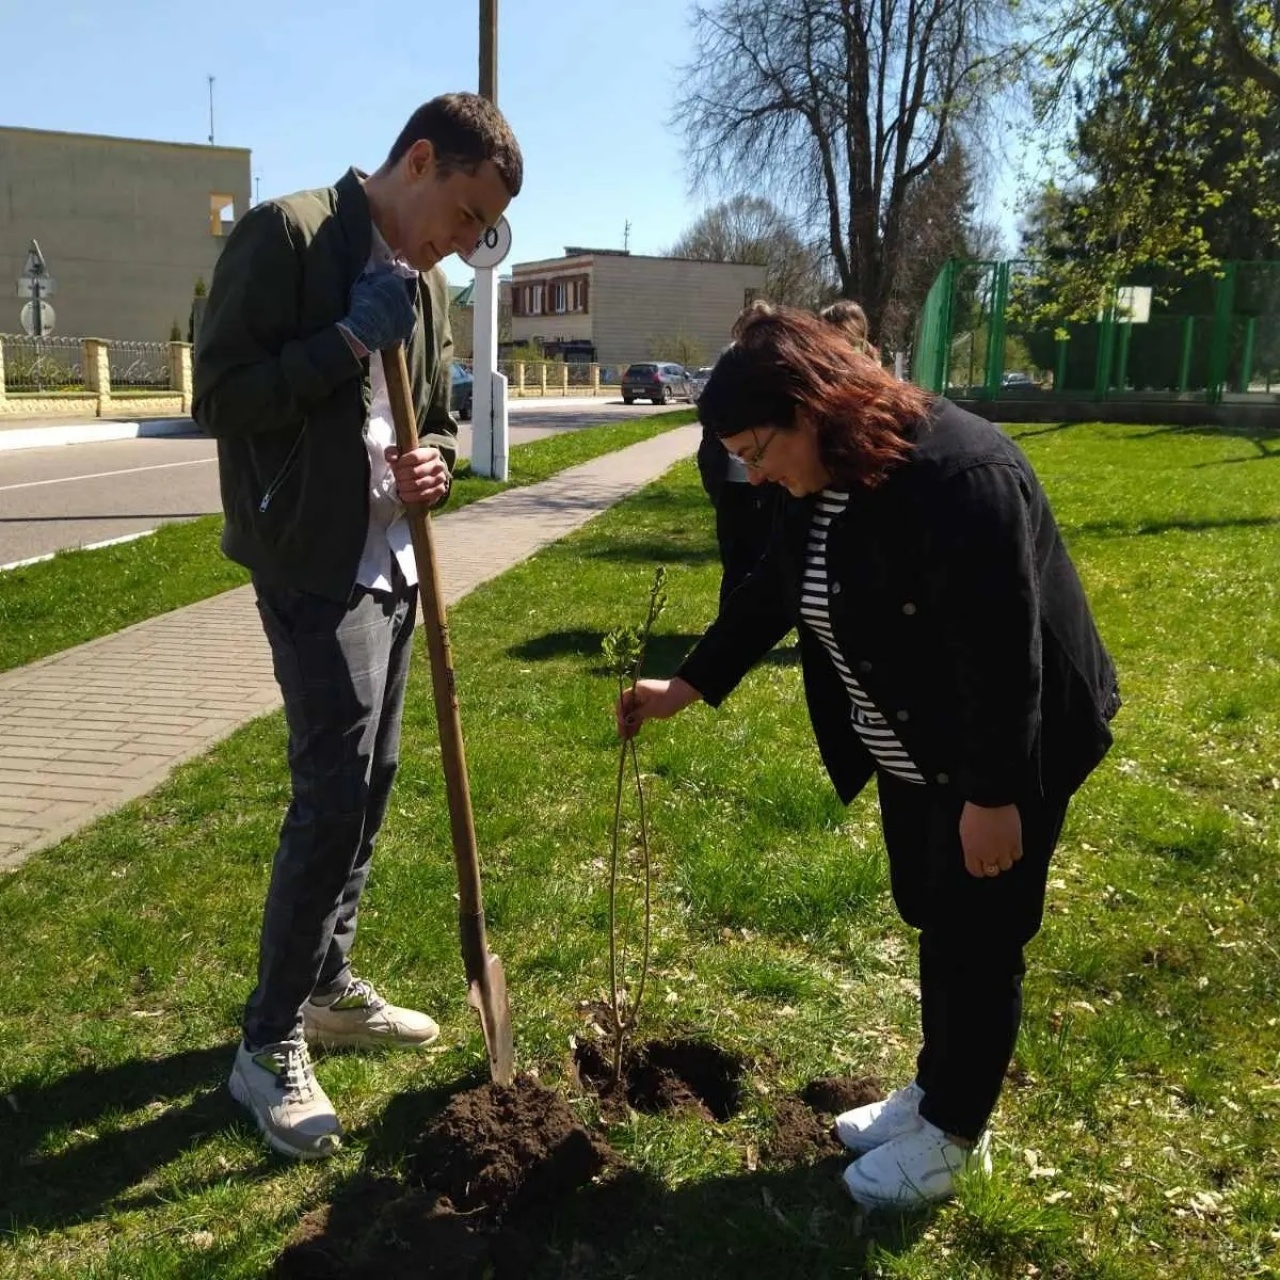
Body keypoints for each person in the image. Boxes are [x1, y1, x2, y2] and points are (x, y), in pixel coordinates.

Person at [617, 306, 1120, 1211]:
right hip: (916, 748)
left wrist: (995, 795)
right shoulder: (817, 483)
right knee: (938, 910)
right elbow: (772, 587)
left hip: (1004, 752)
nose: (755, 470)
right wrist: (685, 684)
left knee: (982, 932)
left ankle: (956, 1137)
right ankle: (935, 1095)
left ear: (810, 405)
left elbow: (1006, 654)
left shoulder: (960, 475)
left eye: (758, 448)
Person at [193, 93, 523, 1161]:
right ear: (418, 160)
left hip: (391, 562)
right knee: (329, 793)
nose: (464, 246)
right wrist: (341, 340)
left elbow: (418, 416)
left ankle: (328, 982)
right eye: (465, 215)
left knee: (371, 784)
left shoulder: (421, 287)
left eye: (480, 233)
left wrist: (431, 463)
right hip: (308, 561)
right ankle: (267, 1039)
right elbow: (221, 393)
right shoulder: (288, 234)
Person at [696, 301, 781, 608]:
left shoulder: (778, 367)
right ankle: (730, 619)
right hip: (730, 486)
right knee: (735, 558)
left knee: (769, 556)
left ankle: (758, 618)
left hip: (772, 488)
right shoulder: (728, 364)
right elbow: (711, 419)